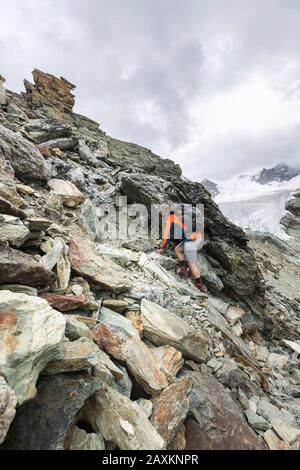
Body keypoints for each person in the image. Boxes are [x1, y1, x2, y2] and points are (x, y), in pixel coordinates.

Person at [160, 206, 208, 293]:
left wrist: (162, 248)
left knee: (191, 262)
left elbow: (165, 237)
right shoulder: (181, 217)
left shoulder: (170, 220)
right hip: (198, 237)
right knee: (177, 249)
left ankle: (200, 284)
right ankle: (183, 268)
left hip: (191, 240)